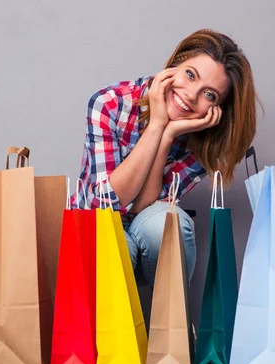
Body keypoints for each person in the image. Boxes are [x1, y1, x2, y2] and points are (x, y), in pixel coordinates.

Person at [71, 29, 258, 286]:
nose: (191, 95)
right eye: (190, 75)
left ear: (217, 109)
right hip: (96, 226)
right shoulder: (110, 103)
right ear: (174, 65)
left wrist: (167, 133)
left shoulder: (206, 141)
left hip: (144, 230)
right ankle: (109, 327)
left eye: (209, 94)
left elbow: (144, 207)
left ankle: (172, 324)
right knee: (114, 247)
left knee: (169, 224)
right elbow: (106, 203)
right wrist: (157, 123)